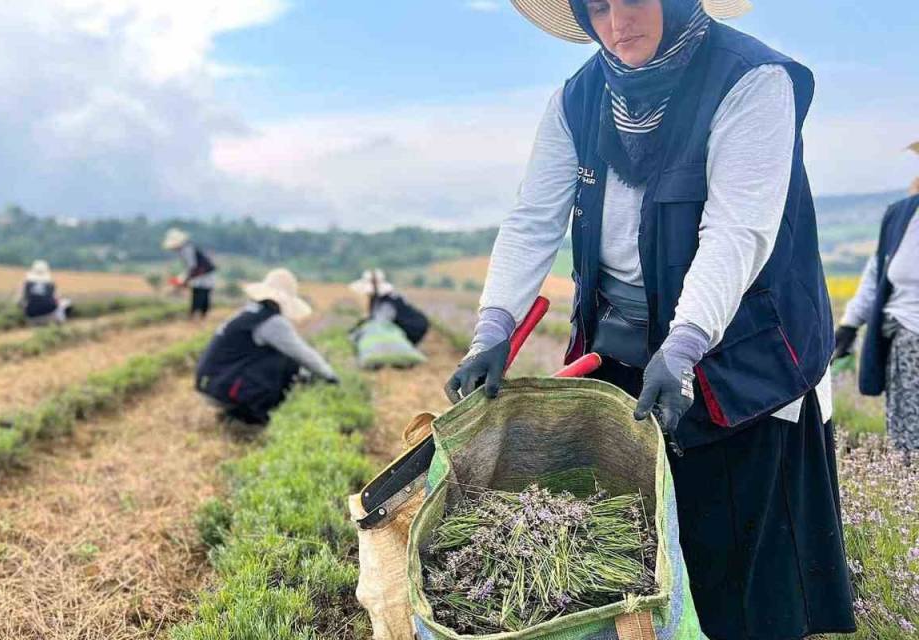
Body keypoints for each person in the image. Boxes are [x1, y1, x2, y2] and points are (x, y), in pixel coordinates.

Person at [444, 1, 855, 637]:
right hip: (626, 353)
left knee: (736, 570)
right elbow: (532, 220)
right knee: (640, 551)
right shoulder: (579, 98)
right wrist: (493, 329)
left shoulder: (751, 78)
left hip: (737, 357)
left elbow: (736, 230)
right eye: (598, 6)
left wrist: (685, 345)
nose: (617, 24)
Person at [833, 175, 919, 450]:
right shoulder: (901, 214)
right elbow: (877, 274)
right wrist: (850, 324)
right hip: (904, 345)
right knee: (907, 441)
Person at [195, 268, 337, 425]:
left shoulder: (250, 313)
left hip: (212, 384)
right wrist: (330, 376)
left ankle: (239, 413)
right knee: (285, 361)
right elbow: (301, 353)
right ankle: (251, 415)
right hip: (223, 390)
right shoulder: (271, 322)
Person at [348, 269, 430, 345]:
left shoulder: (387, 303)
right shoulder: (384, 298)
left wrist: (356, 335)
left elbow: (379, 323)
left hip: (414, 327)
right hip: (413, 325)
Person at [163, 228, 216, 320]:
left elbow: (192, 266)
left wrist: (185, 279)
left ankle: (197, 315)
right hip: (202, 273)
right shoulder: (187, 248)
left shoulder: (187, 250)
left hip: (202, 274)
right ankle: (199, 315)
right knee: (202, 293)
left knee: (200, 293)